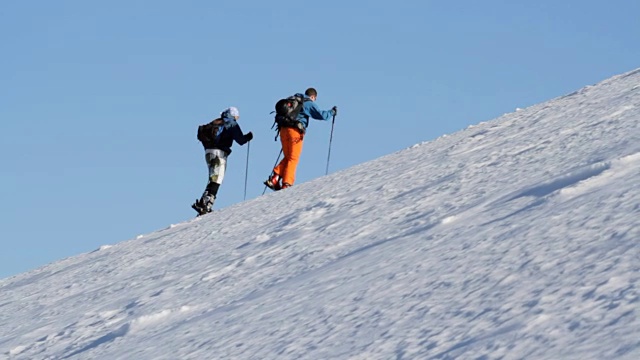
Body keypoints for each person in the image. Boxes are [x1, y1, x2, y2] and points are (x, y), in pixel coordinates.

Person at [265, 88, 337, 190]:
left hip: (283, 130)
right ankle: (287, 184)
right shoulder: (307, 102)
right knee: (293, 158)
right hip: (295, 131)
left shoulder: (292, 99)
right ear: (313, 97)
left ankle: (274, 178)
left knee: (288, 157)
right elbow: (322, 115)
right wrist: (332, 112)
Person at [192, 107, 253, 215]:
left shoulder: (216, 121)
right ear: (234, 115)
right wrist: (248, 137)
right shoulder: (231, 123)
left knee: (213, 177)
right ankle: (207, 204)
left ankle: (203, 202)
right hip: (219, 153)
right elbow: (241, 140)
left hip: (208, 152)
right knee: (217, 178)